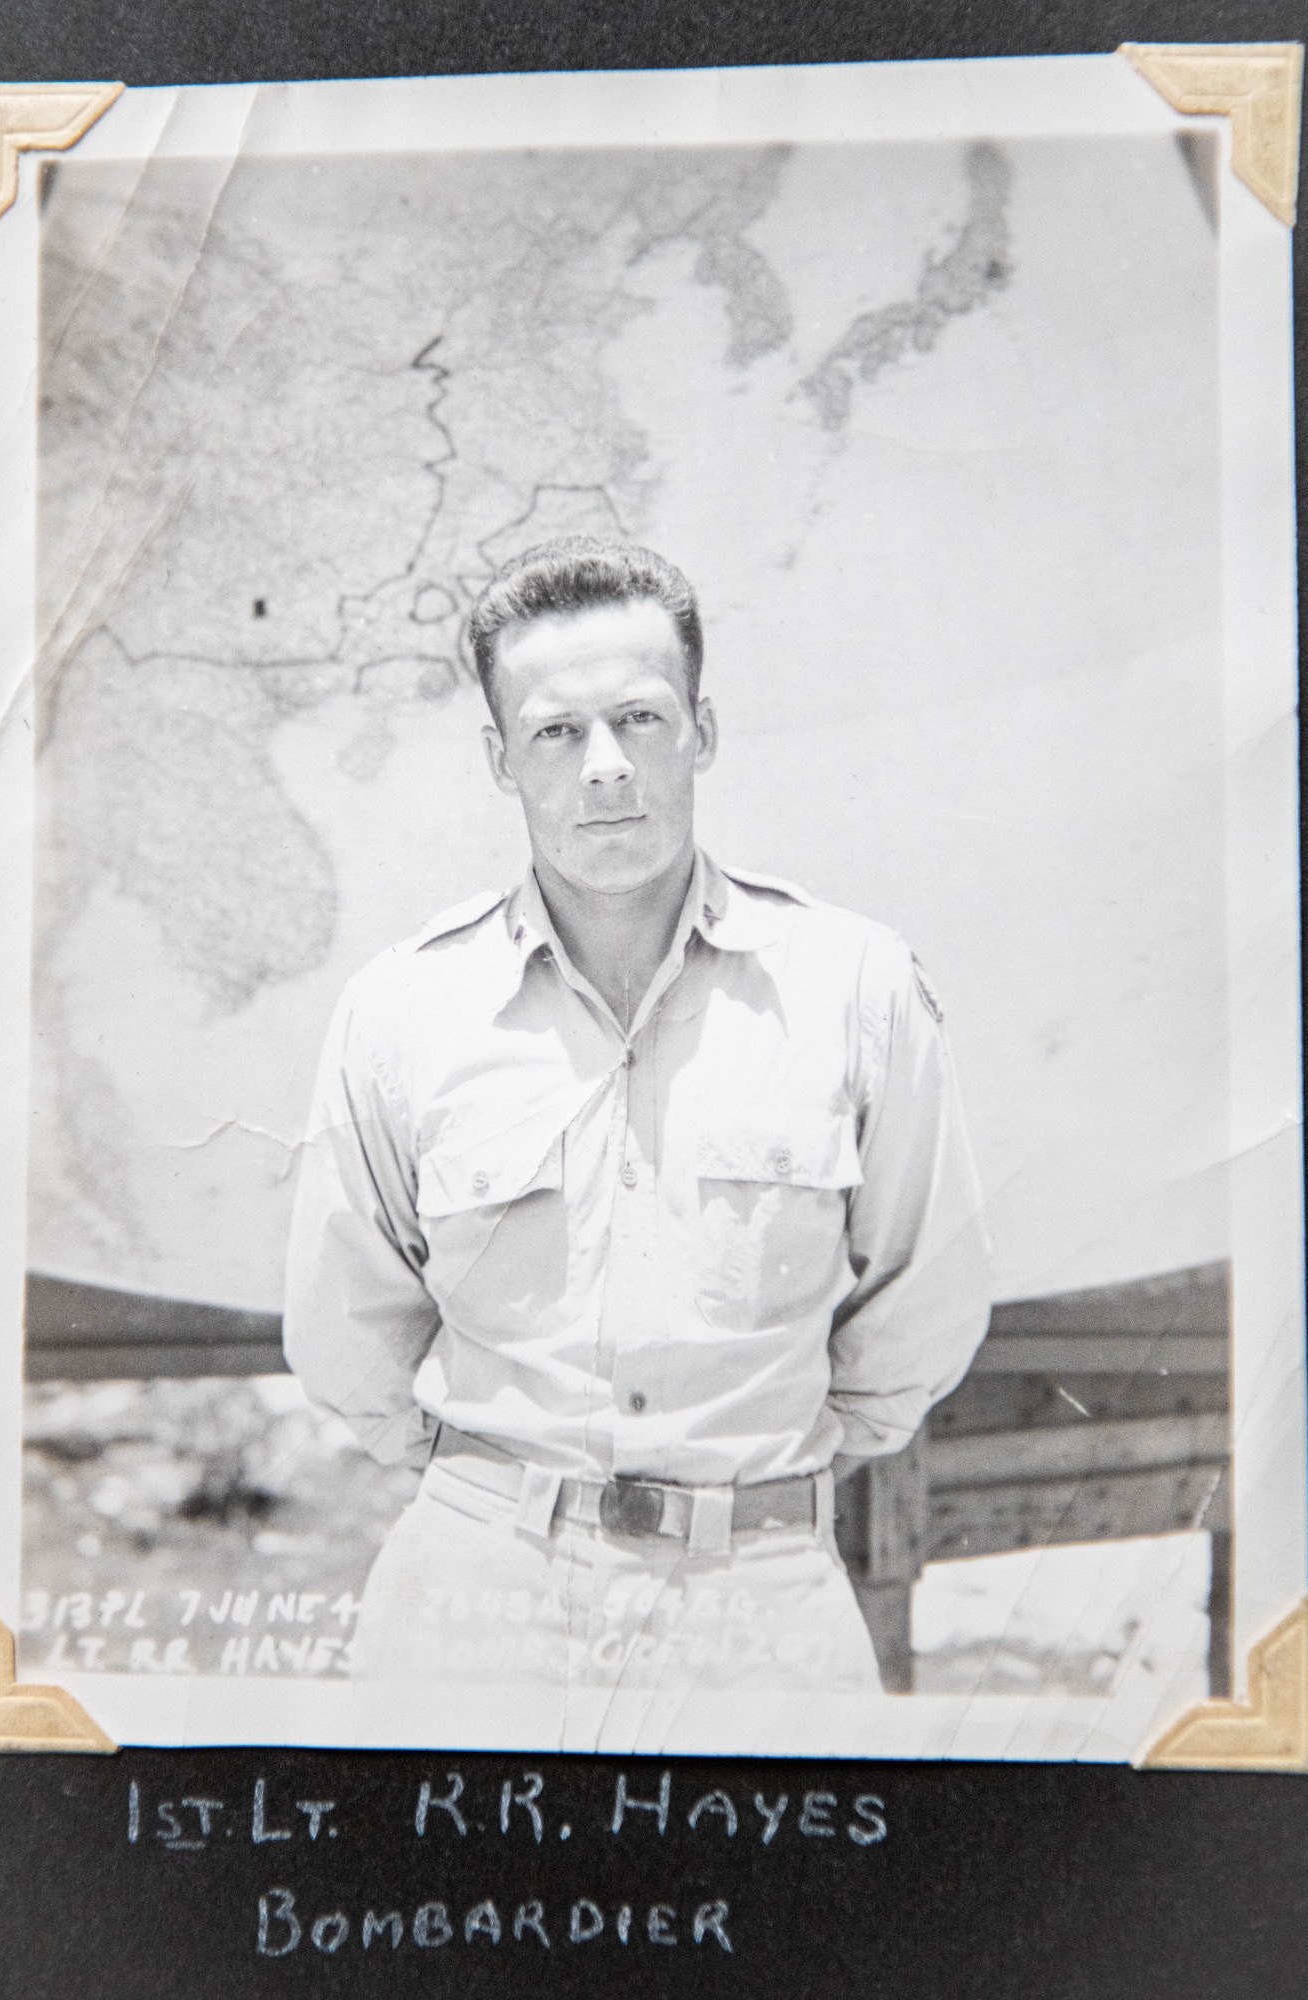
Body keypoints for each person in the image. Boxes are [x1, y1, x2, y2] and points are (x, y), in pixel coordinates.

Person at [283, 536, 991, 1703]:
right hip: (476, 1601)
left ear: (700, 732)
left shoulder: (853, 987)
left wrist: (750, 1491)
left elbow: (920, 1305)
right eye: (556, 731)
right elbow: (346, 1333)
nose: (604, 766)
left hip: (759, 1602)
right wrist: (502, 1502)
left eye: (641, 719)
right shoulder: (401, 1009)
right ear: (500, 758)